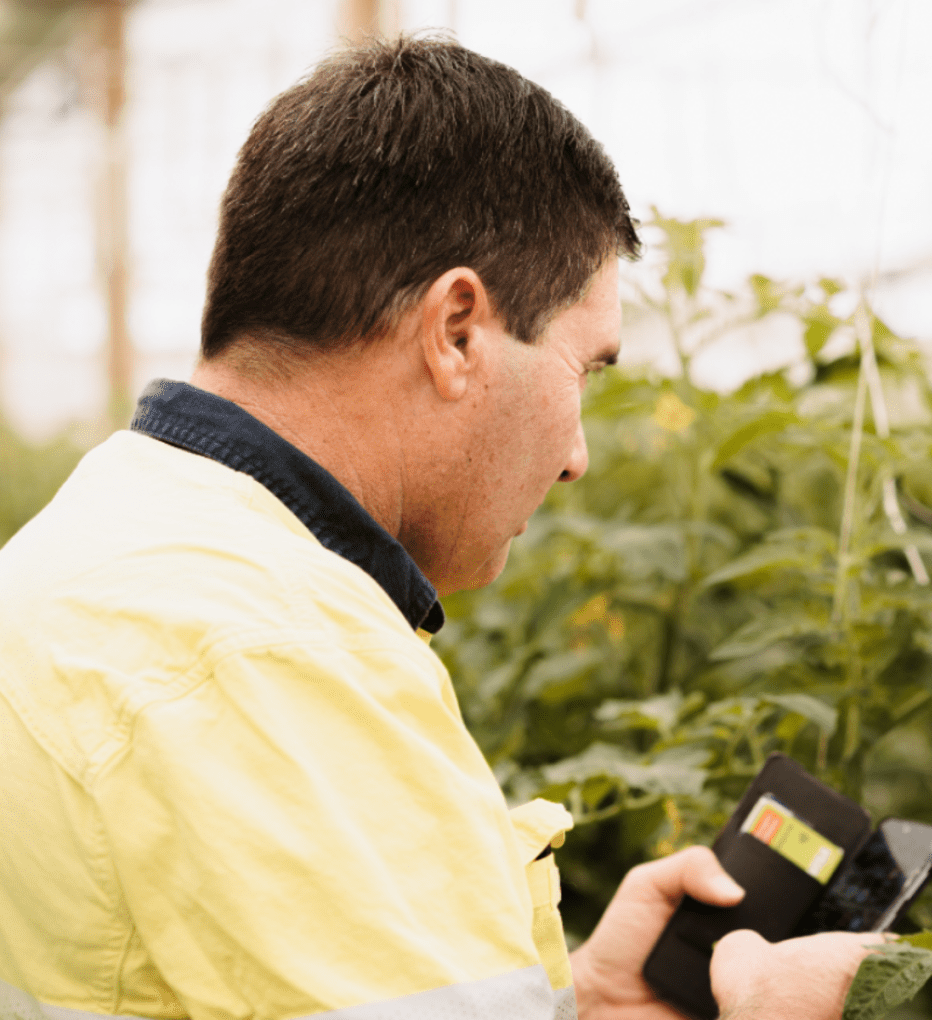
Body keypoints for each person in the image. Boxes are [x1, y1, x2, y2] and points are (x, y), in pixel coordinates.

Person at [0, 36, 874, 1020]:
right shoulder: (269, 653)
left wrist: (575, 1002)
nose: (578, 453)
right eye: (585, 368)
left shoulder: (103, 540)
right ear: (458, 330)